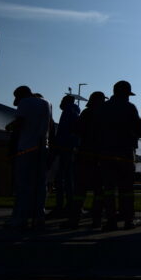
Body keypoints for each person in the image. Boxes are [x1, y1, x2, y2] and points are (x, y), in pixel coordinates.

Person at [5, 86, 52, 230]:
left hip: (26, 148)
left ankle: (20, 218)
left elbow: (19, 124)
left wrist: (10, 129)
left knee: (23, 184)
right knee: (40, 184)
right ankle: (39, 216)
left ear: (22, 95)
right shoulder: (46, 103)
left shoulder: (25, 103)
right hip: (42, 147)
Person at [99, 80, 141, 231]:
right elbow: (138, 130)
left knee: (109, 188)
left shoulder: (104, 107)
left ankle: (110, 220)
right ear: (126, 94)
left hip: (106, 152)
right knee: (127, 188)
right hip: (125, 152)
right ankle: (128, 220)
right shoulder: (130, 107)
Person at [62, 91, 106, 229]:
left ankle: (74, 219)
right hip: (102, 157)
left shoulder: (86, 114)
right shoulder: (106, 115)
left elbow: (77, 131)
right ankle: (96, 220)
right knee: (99, 191)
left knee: (80, 190)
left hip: (85, 155)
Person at [50, 95, 80, 218]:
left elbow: (68, 131)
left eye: (62, 100)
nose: (60, 103)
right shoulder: (72, 112)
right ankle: (67, 205)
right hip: (66, 148)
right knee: (66, 179)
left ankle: (64, 206)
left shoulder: (69, 112)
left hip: (65, 149)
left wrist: (62, 145)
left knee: (64, 179)